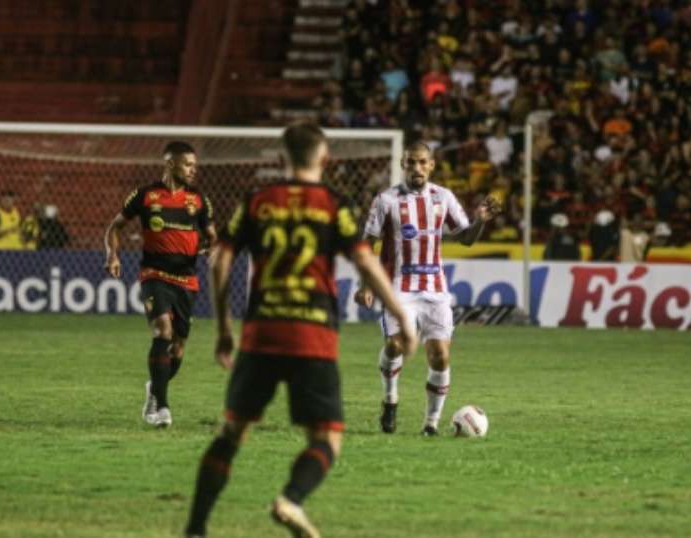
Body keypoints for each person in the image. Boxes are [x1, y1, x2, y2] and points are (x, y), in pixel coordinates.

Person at [184, 123, 417, 538]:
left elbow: (219, 261)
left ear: (280, 159)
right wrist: (402, 314)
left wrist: (223, 327)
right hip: (313, 335)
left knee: (232, 433)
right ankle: (290, 499)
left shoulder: (257, 200)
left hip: (261, 334)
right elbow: (365, 262)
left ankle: (196, 528)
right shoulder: (331, 204)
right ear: (325, 160)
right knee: (327, 438)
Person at [354, 141, 500, 436]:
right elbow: (368, 245)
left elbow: (466, 238)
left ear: (431, 165)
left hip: (434, 289)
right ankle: (390, 398)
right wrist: (366, 284)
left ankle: (430, 425)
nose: (417, 168)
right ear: (403, 165)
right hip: (398, 289)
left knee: (440, 356)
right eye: (411, 163)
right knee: (396, 346)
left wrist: (479, 221)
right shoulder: (386, 200)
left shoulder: (443, 197)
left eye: (422, 162)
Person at [104, 141, 216, 428]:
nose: (194, 169)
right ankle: (162, 407)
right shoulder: (145, 195)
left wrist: (212, 249)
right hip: (154, 275)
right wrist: (113, 254)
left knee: (178, 349)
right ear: (170, 164)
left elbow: (213, 237)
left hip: (186, 279)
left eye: (194, 165)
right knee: (162, 330)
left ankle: (154, 388)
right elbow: (115, 226)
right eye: (188, 164)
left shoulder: (199, 200)